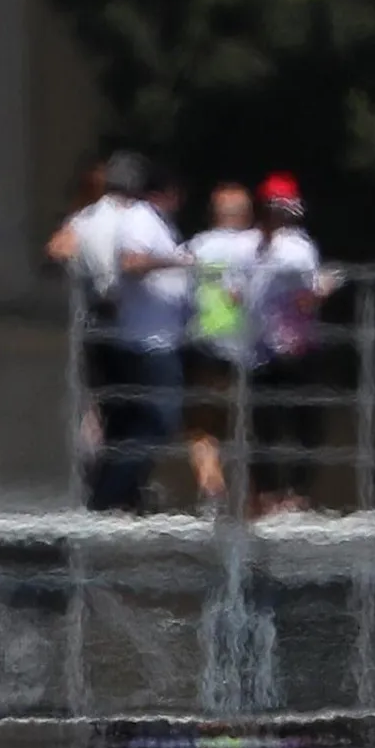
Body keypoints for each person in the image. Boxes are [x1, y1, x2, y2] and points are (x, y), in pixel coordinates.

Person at [84, 155, 193, 511]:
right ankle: (106, 497)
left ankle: (121, 494)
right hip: (148, 344)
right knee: (159, 422)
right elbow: (132, 262)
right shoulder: (140, 220)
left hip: (157, 339)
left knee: (134, 425)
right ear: (168, 193)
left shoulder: (149, 221)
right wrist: (179, 262)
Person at [46, 155, 136, 498]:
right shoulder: (97, 219)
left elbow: (55, 252)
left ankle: (110, 481)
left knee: (104, 405)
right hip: (105, 318)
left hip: (97, 319)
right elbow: (57, 250)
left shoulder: (85, 220)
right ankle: (107, 484)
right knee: (110, 404)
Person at [244, 173, 331, 513]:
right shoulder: (298, 246)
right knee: (306, 425)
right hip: (298, 347)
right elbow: (305, 299)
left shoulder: (246, 244)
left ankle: (265, 496)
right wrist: (326, 288)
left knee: (263, 427)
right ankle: (296, 495)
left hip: (258, 348)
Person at [183, 180, 263, 508]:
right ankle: (256, 501)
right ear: (247, 214)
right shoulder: (260, 245)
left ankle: (211, 485)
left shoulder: (197, 246)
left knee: (202, 425)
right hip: (252, 347)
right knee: (252, 428)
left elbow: (180, 292)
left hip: (207, 345)